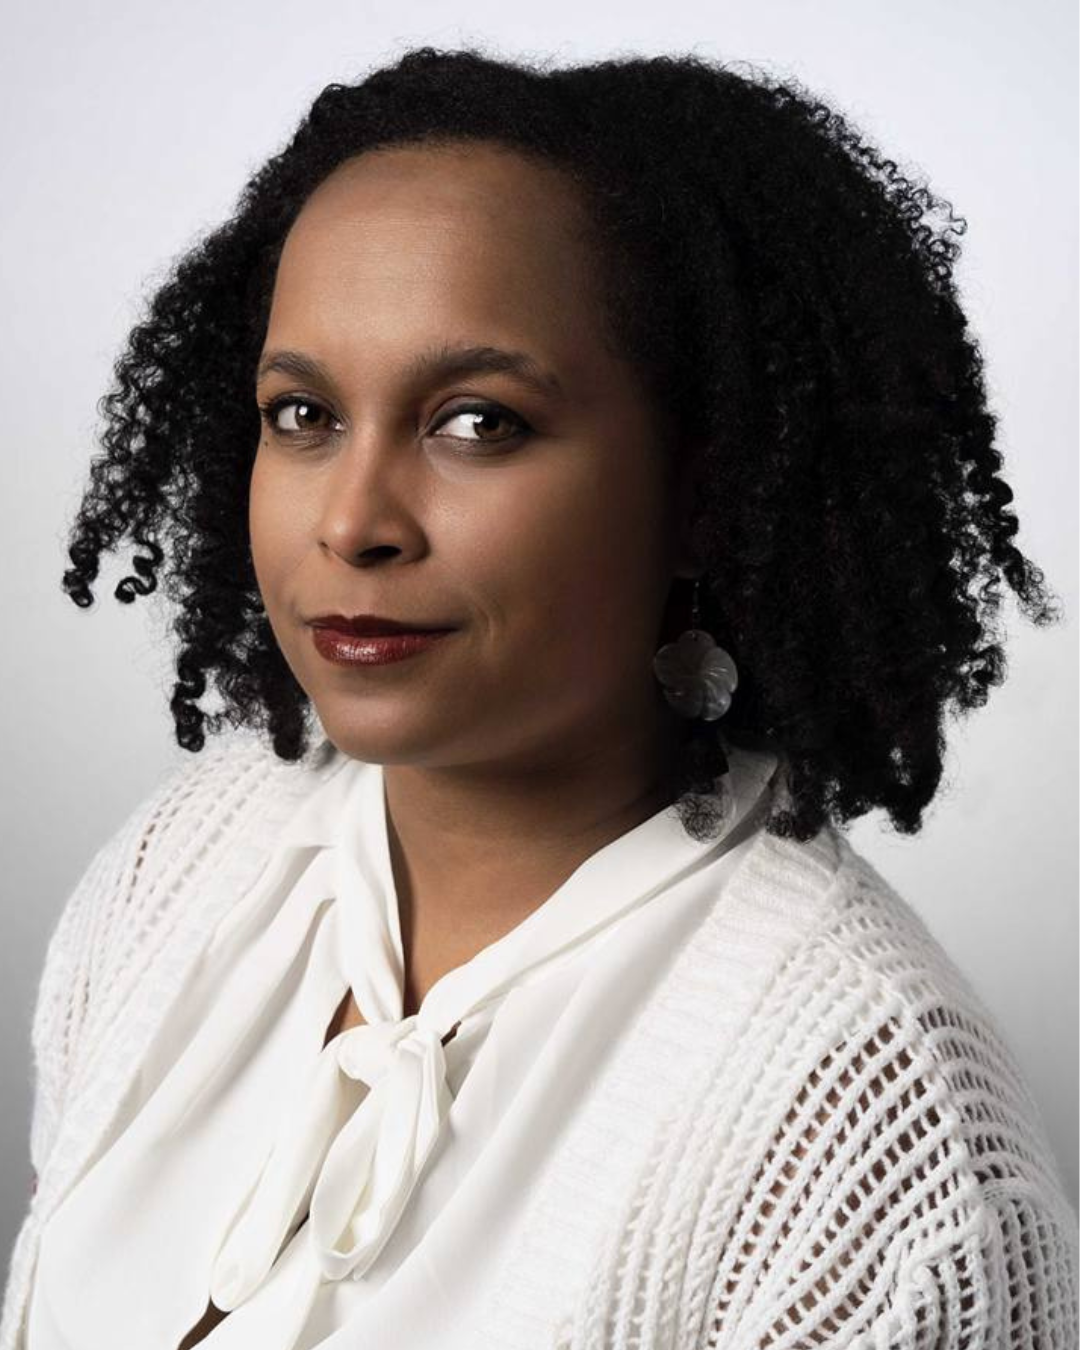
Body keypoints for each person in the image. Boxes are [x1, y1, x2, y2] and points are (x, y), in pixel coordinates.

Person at [2, 44, 1076, 1350]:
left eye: (478, 421)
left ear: (701, 492)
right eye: (303, 415)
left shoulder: (869, 1133)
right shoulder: (181, 866)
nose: (352, 518)